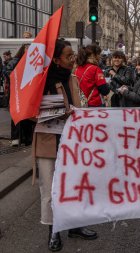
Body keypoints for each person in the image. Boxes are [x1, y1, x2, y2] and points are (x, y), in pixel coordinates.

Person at [33, 39, 98, 252]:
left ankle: (74, 224)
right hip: (48, 142)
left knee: (74, 185)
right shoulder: (40, 82)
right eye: (69, 56)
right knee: (50, 189)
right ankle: (53, 231)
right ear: (56, 59)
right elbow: (31, 114)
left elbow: (80, 104)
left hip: (72, 142)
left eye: (73, 55)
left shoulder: (73, 78)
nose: (73, 59)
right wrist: (56, 112)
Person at [5, 44, 35, 147]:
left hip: (25, 92)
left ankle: (27, 138)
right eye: (27, 50)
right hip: (16, 93)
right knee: (16, 115)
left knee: (26, 115)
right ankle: (16, 138)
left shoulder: (30, 61)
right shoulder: (16, 61)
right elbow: (7, 72)